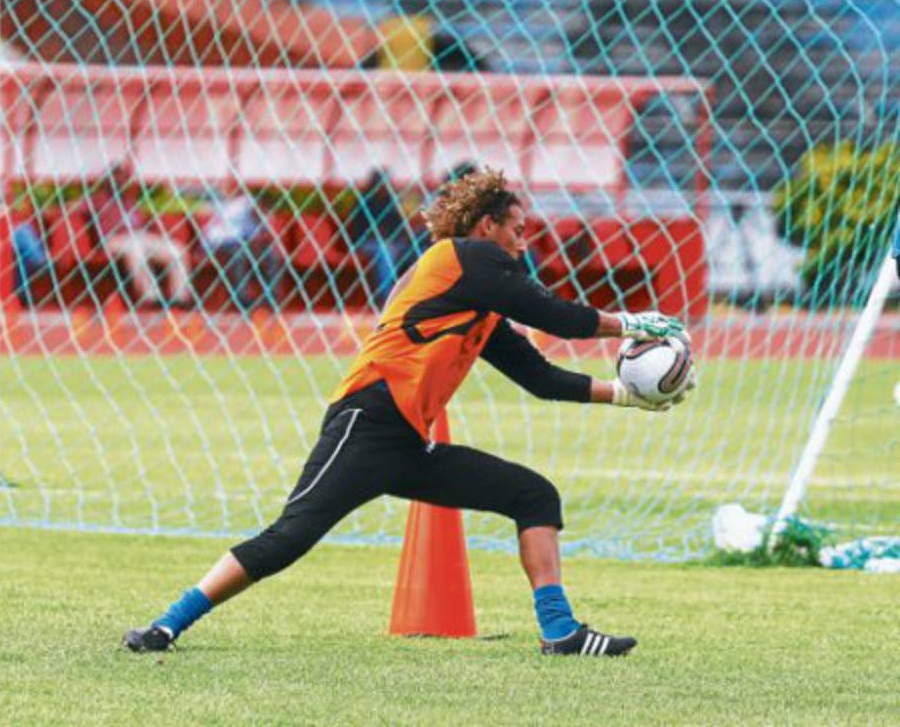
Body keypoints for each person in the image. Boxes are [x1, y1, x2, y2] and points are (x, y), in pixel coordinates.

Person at [123, 168, 694, 656]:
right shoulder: (459, 258)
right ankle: (166, 624)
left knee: (533, 495)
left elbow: (540, 378)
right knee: (289, 538)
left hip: (406, 443)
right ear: (485, 228)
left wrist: (628, 397)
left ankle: (561, 632)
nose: (524, 244)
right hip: (365, 422)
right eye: (517, 231)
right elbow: (558, 319)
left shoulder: (478, 303)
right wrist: (636, 323)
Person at [94, 170, 192, 307]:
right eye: (116, 179)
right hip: (115, 239)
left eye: (122, 180)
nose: (119, 183)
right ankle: (151, 298)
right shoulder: (97, 199)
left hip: (140, 236)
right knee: (135, 250)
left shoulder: (130, 201)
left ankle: (180, 298)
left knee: (178, 250)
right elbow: (73, 207)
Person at [200, 189, 281, 311]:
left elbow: (263, 238)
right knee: (238, 255)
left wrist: (262, 230)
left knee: (271, 254)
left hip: (244, 243)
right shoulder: (236, 209)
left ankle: (272, 297)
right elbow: (223, 235)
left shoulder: (265, 214)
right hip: (220, 241)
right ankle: (243, 299)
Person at [349, 169, 412, 309]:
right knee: (386, 252)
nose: (385, 187)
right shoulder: (364, 201)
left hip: (394, 242)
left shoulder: (390, 201)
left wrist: (399, 236)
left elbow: (400, 225)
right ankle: (386, 296)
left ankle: (411, 294)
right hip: (368, 243)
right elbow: (358, 230)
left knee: (414, 248)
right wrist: (379, 235)